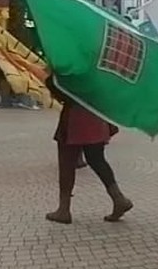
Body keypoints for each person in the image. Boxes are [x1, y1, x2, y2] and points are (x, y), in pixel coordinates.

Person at [44, 77, 133, 224]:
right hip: (95, 113)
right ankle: (118, 198)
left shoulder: (70, 64)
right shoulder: (93, 63)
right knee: (97, 159)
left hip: (75, 116)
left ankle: (63, 209)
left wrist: (51, 81)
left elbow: (59, 87)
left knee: (67, 161)